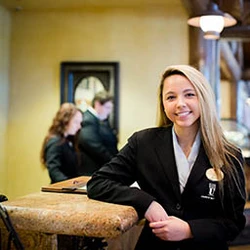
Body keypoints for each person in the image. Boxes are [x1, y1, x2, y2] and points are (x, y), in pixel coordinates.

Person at [87, 65, 247, 250]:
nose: (180, 104)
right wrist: (147, 203)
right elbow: (98, 182)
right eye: (171, 97)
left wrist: (189, 230)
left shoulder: (230, 155)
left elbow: (234, 223)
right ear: (163, 104)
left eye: (189, 94)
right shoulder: (143, 143)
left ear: (203, 98)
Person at [77, 90, 118, 176]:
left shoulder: (99, 120)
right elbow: (96, 147)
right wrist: (115, 163)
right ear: (97, 104)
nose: (109, 112)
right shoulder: (88, 120)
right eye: (107, 108)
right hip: (92, 171)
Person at [40, 103, 83, 183]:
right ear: (65, 121)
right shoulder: (55, 142)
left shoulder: (69, 140)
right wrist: (69, 185)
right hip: (61, 190)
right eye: (76, 122)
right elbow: (54, 170)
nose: (79, 126)